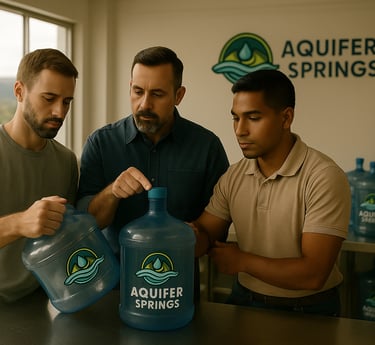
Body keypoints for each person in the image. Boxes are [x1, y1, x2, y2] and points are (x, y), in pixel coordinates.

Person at [192, 69, 351, 316]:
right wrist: (181, 237)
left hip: (308, 309)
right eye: (235, 118)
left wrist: (243, 261)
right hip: (243, 299)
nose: (240, 130)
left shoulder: (324, 176)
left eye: (253, 118)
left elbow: (314, 274)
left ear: (286, 118)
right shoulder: (234, 176)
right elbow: (204, 232)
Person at [76, 46, 229, 298]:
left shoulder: (207, 147)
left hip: (177, 292)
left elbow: (218, 229)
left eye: (157, 94)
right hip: (112, 290)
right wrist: (113, 193)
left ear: (178, 95)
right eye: (138, 92)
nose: (145, 104)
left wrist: (194, 236)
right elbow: (85, 223)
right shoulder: (101, 143)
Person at [0, 48, 79, 303]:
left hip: (39, 305)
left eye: (66, 101)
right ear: (19, 91)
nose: (59, 111)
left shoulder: (67, 161)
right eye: (49, 98)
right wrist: (19, 223)